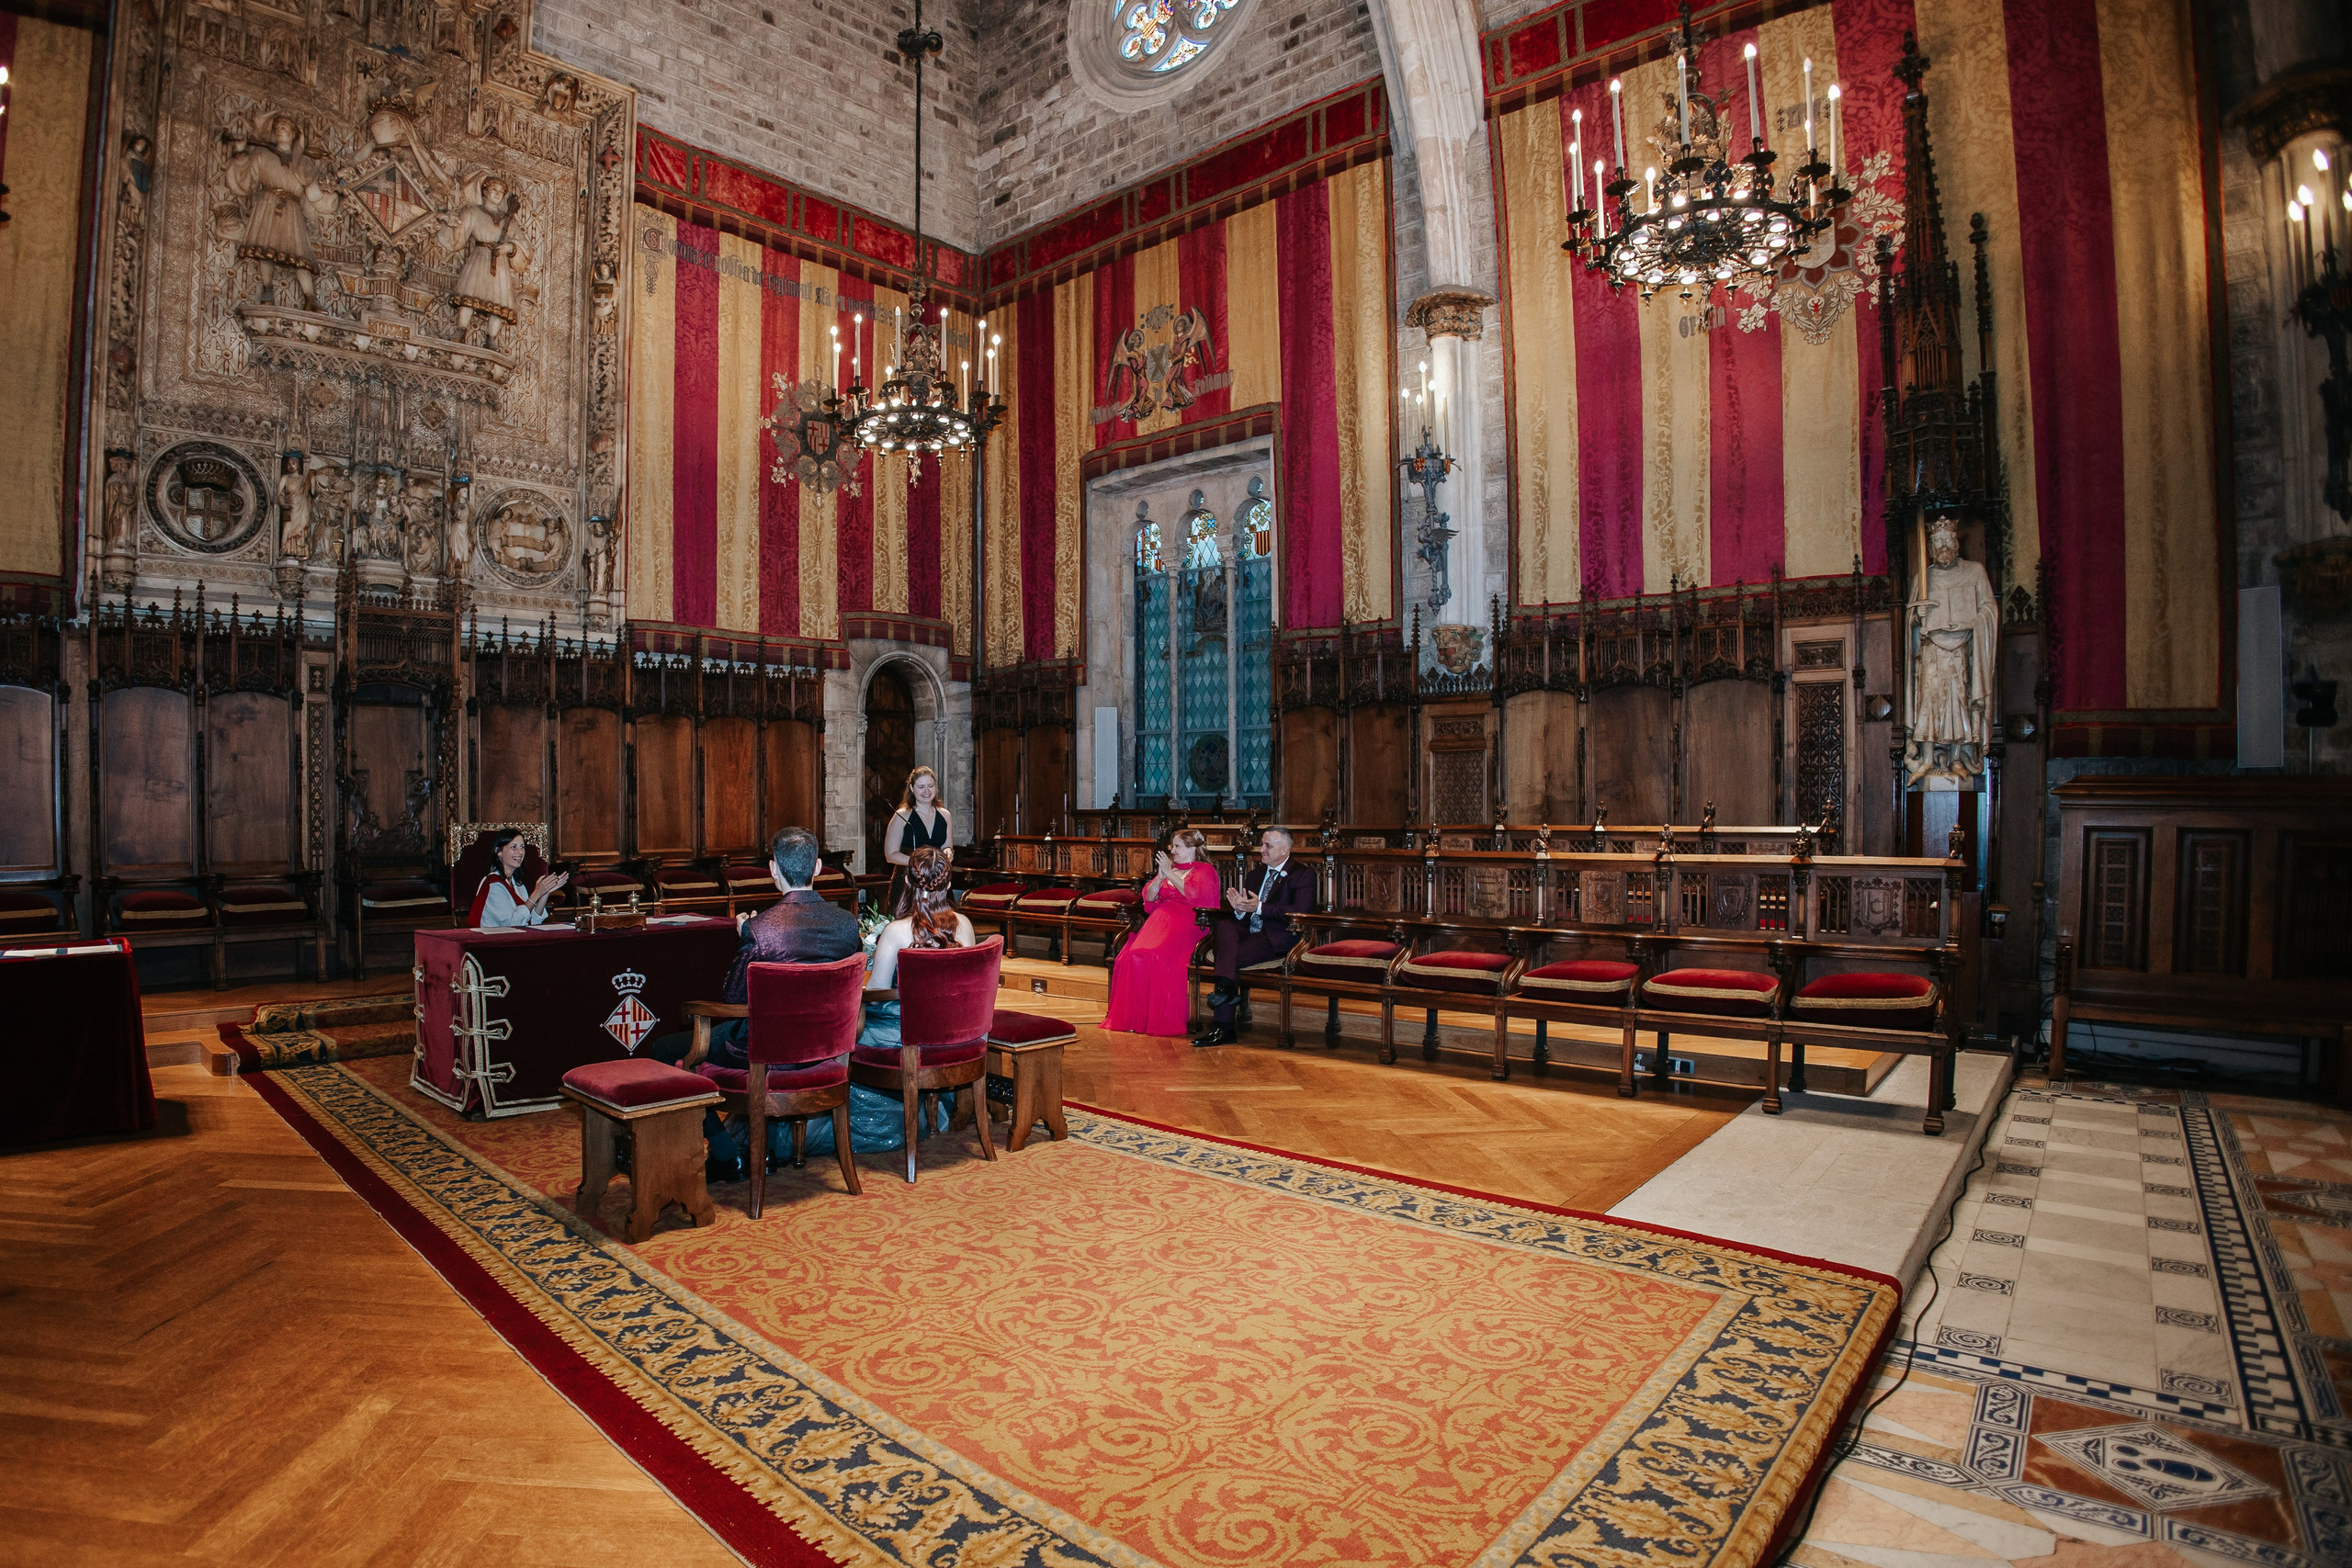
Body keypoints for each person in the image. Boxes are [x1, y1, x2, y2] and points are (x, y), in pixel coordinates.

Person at [642, 826, 861, 1075]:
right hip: (829, 1044)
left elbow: (734, 998)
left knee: (663, 1047)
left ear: (773, 869)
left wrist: (746, 935)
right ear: (819, 867)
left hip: (764, 1049)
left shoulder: (760, 930)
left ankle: (710, 1116)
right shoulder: (847, 923)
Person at [1193, 828, 1315, 1047]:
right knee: (1225, 926)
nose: (1262, 850)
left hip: (1277, 935)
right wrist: (1240, 907)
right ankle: (1227, 991)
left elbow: (1299, 910)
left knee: (1228, 956)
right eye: (1262, 844)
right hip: (1249, 930)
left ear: (1285, 849)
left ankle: (1223, 1024)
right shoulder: (1255, 874)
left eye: (1268, 846)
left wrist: (1258, 907)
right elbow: (1245, 914)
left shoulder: (1302, 874)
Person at [1101, 827, 1222, 1037]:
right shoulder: (1169, 869)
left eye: (1177, 846)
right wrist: (1159, 877)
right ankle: (1137, 1017)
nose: (1172, 851)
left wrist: (1169, 873)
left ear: (1193, 848)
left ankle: (1160, 1017)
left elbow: (1194, 895)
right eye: (1172, 846)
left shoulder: (1204, 870)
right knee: (1129, 956)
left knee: (1154, 955)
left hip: (1188, 922)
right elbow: (1149, 896)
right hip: (1159, 921)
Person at [880, 765, 953, 909]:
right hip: (909, 880)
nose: (926, 791)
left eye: (930, 786)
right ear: (912, 789)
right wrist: (922, 864)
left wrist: (948, 853)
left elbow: (947, 846)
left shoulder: (945, 815)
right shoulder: (902, 815)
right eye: (921, 787)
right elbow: (890, 855)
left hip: (937, 879)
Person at [468, 828, 566, 928]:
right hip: (493, 940)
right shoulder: (493, 884)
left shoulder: (518, 884)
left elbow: (532, 921)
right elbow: (511, 924)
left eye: (522, 847)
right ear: (498, 852)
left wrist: (545, 892)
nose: (520, 852)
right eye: (513, 847)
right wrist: (536, 894)